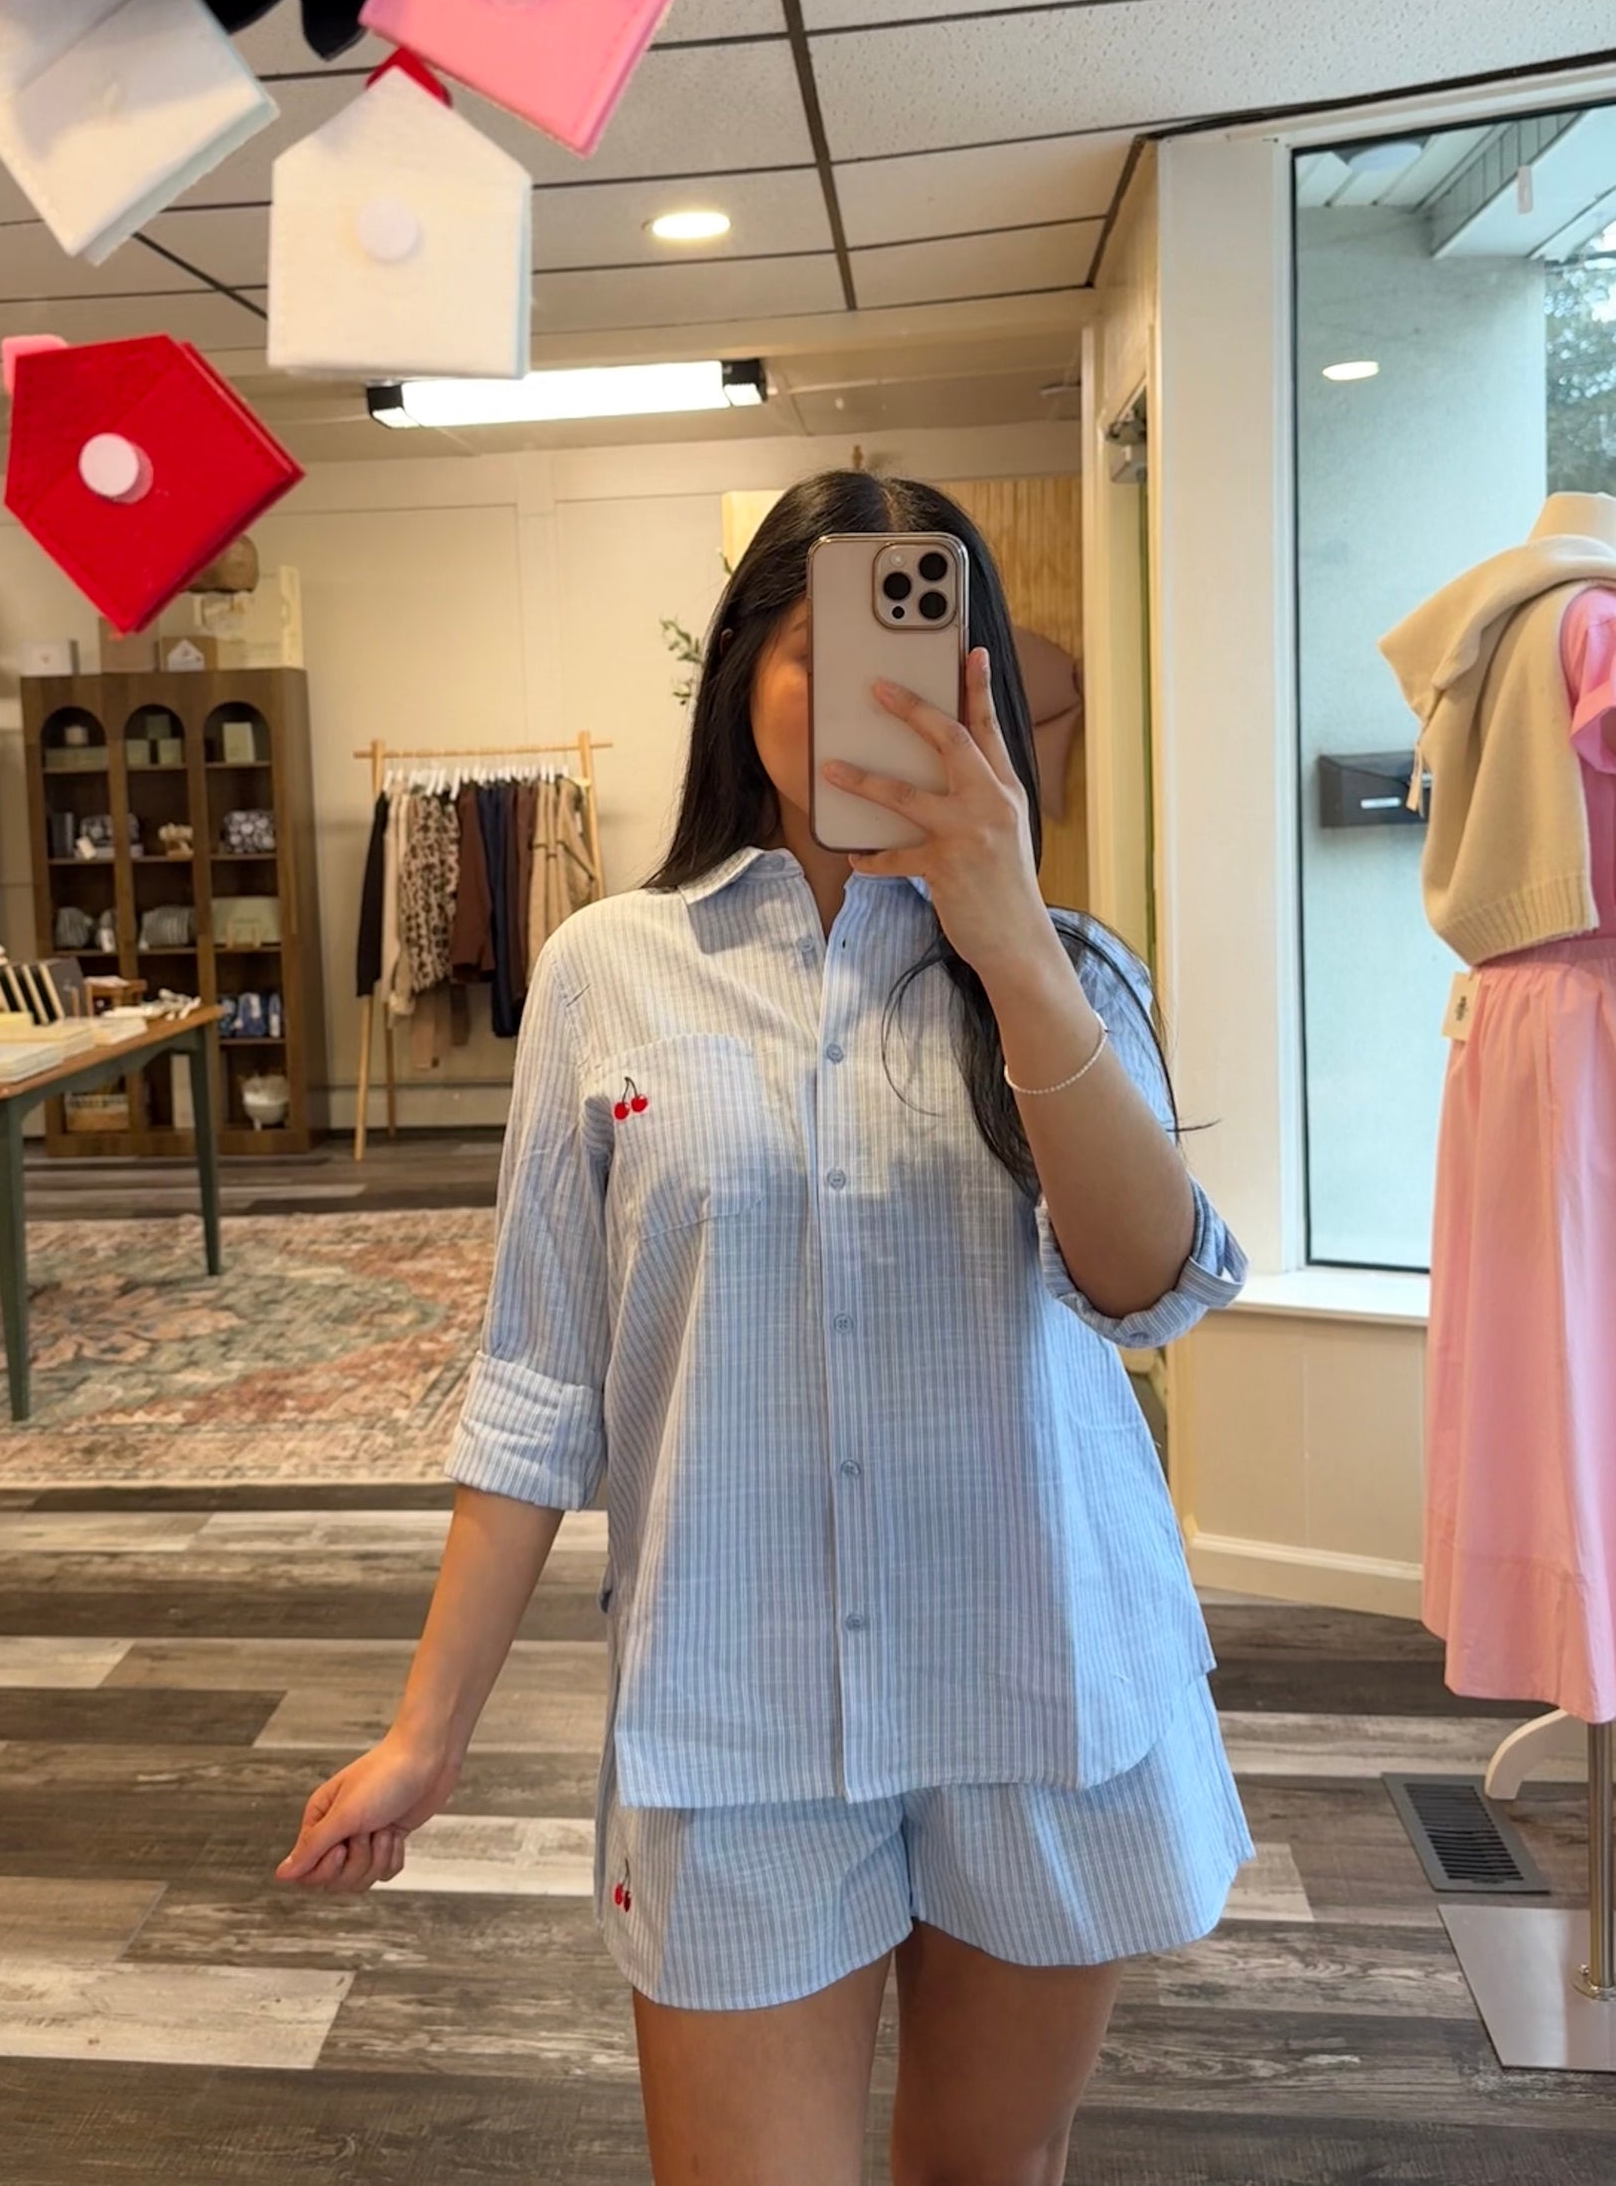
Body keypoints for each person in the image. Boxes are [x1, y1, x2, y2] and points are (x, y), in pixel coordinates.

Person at [277, 471, 1253, 2186]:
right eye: (816, 650)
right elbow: (537, 1379)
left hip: (1040, 1682)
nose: (869, 696)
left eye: (919, 655)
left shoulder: (1068, 969)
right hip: (732, 1707)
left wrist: (1008, 944)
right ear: (742, 675)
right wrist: (426, 1734)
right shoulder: (605, 970)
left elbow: (1143, 1283)